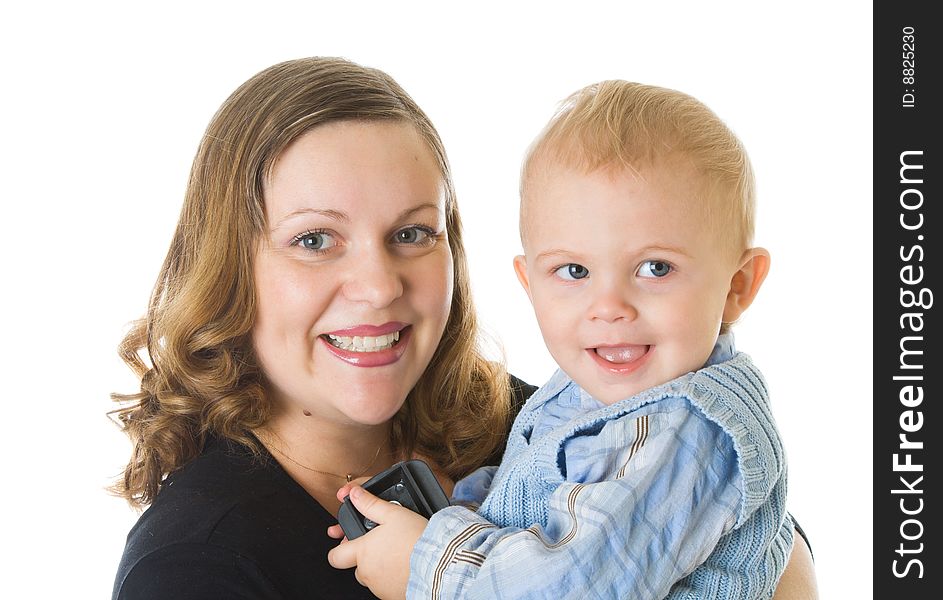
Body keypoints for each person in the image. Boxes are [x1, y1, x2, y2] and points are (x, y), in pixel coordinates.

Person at [110, 57, 817, 599]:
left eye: (413, 232)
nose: (380, 285)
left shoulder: (533, 412)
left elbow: (753, 536)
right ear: (231, 266)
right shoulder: (196, 564)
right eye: (315, 240)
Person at [328, 80, 803, 599]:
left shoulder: (688, 430)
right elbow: (548, 498)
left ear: (737, 286)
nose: (609, 307)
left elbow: (571, 587)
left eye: (655, 267)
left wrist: (424, 562)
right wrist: (460, 509)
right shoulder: (595, 387)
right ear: (529, 284)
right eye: (574, 270)